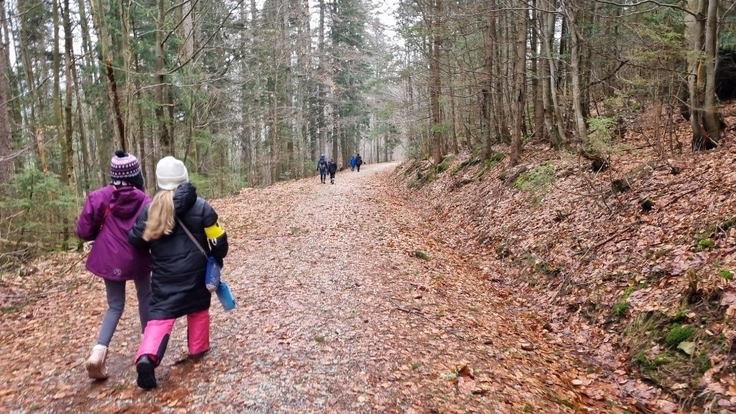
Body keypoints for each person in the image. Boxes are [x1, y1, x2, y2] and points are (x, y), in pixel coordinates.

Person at [128, 156, 228, 390]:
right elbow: (218, 237)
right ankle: (198, 348)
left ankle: (147, 357)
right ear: (184, 178)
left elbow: (135, 239)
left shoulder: (150, 210)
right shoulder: (201, 206)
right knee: (198, 309)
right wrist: (217, 256)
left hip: (164, 276)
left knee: (160, 317)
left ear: (160, 181)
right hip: (195, 273)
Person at [75, 150, 152, 380]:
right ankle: (147, 349)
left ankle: (98, 353)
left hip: (109, 256)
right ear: (135, 175)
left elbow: (83, 231)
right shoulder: (145, 200)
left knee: (115, 305)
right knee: (145, 297)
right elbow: (153, 230)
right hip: (138, 255)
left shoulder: (99, 197)